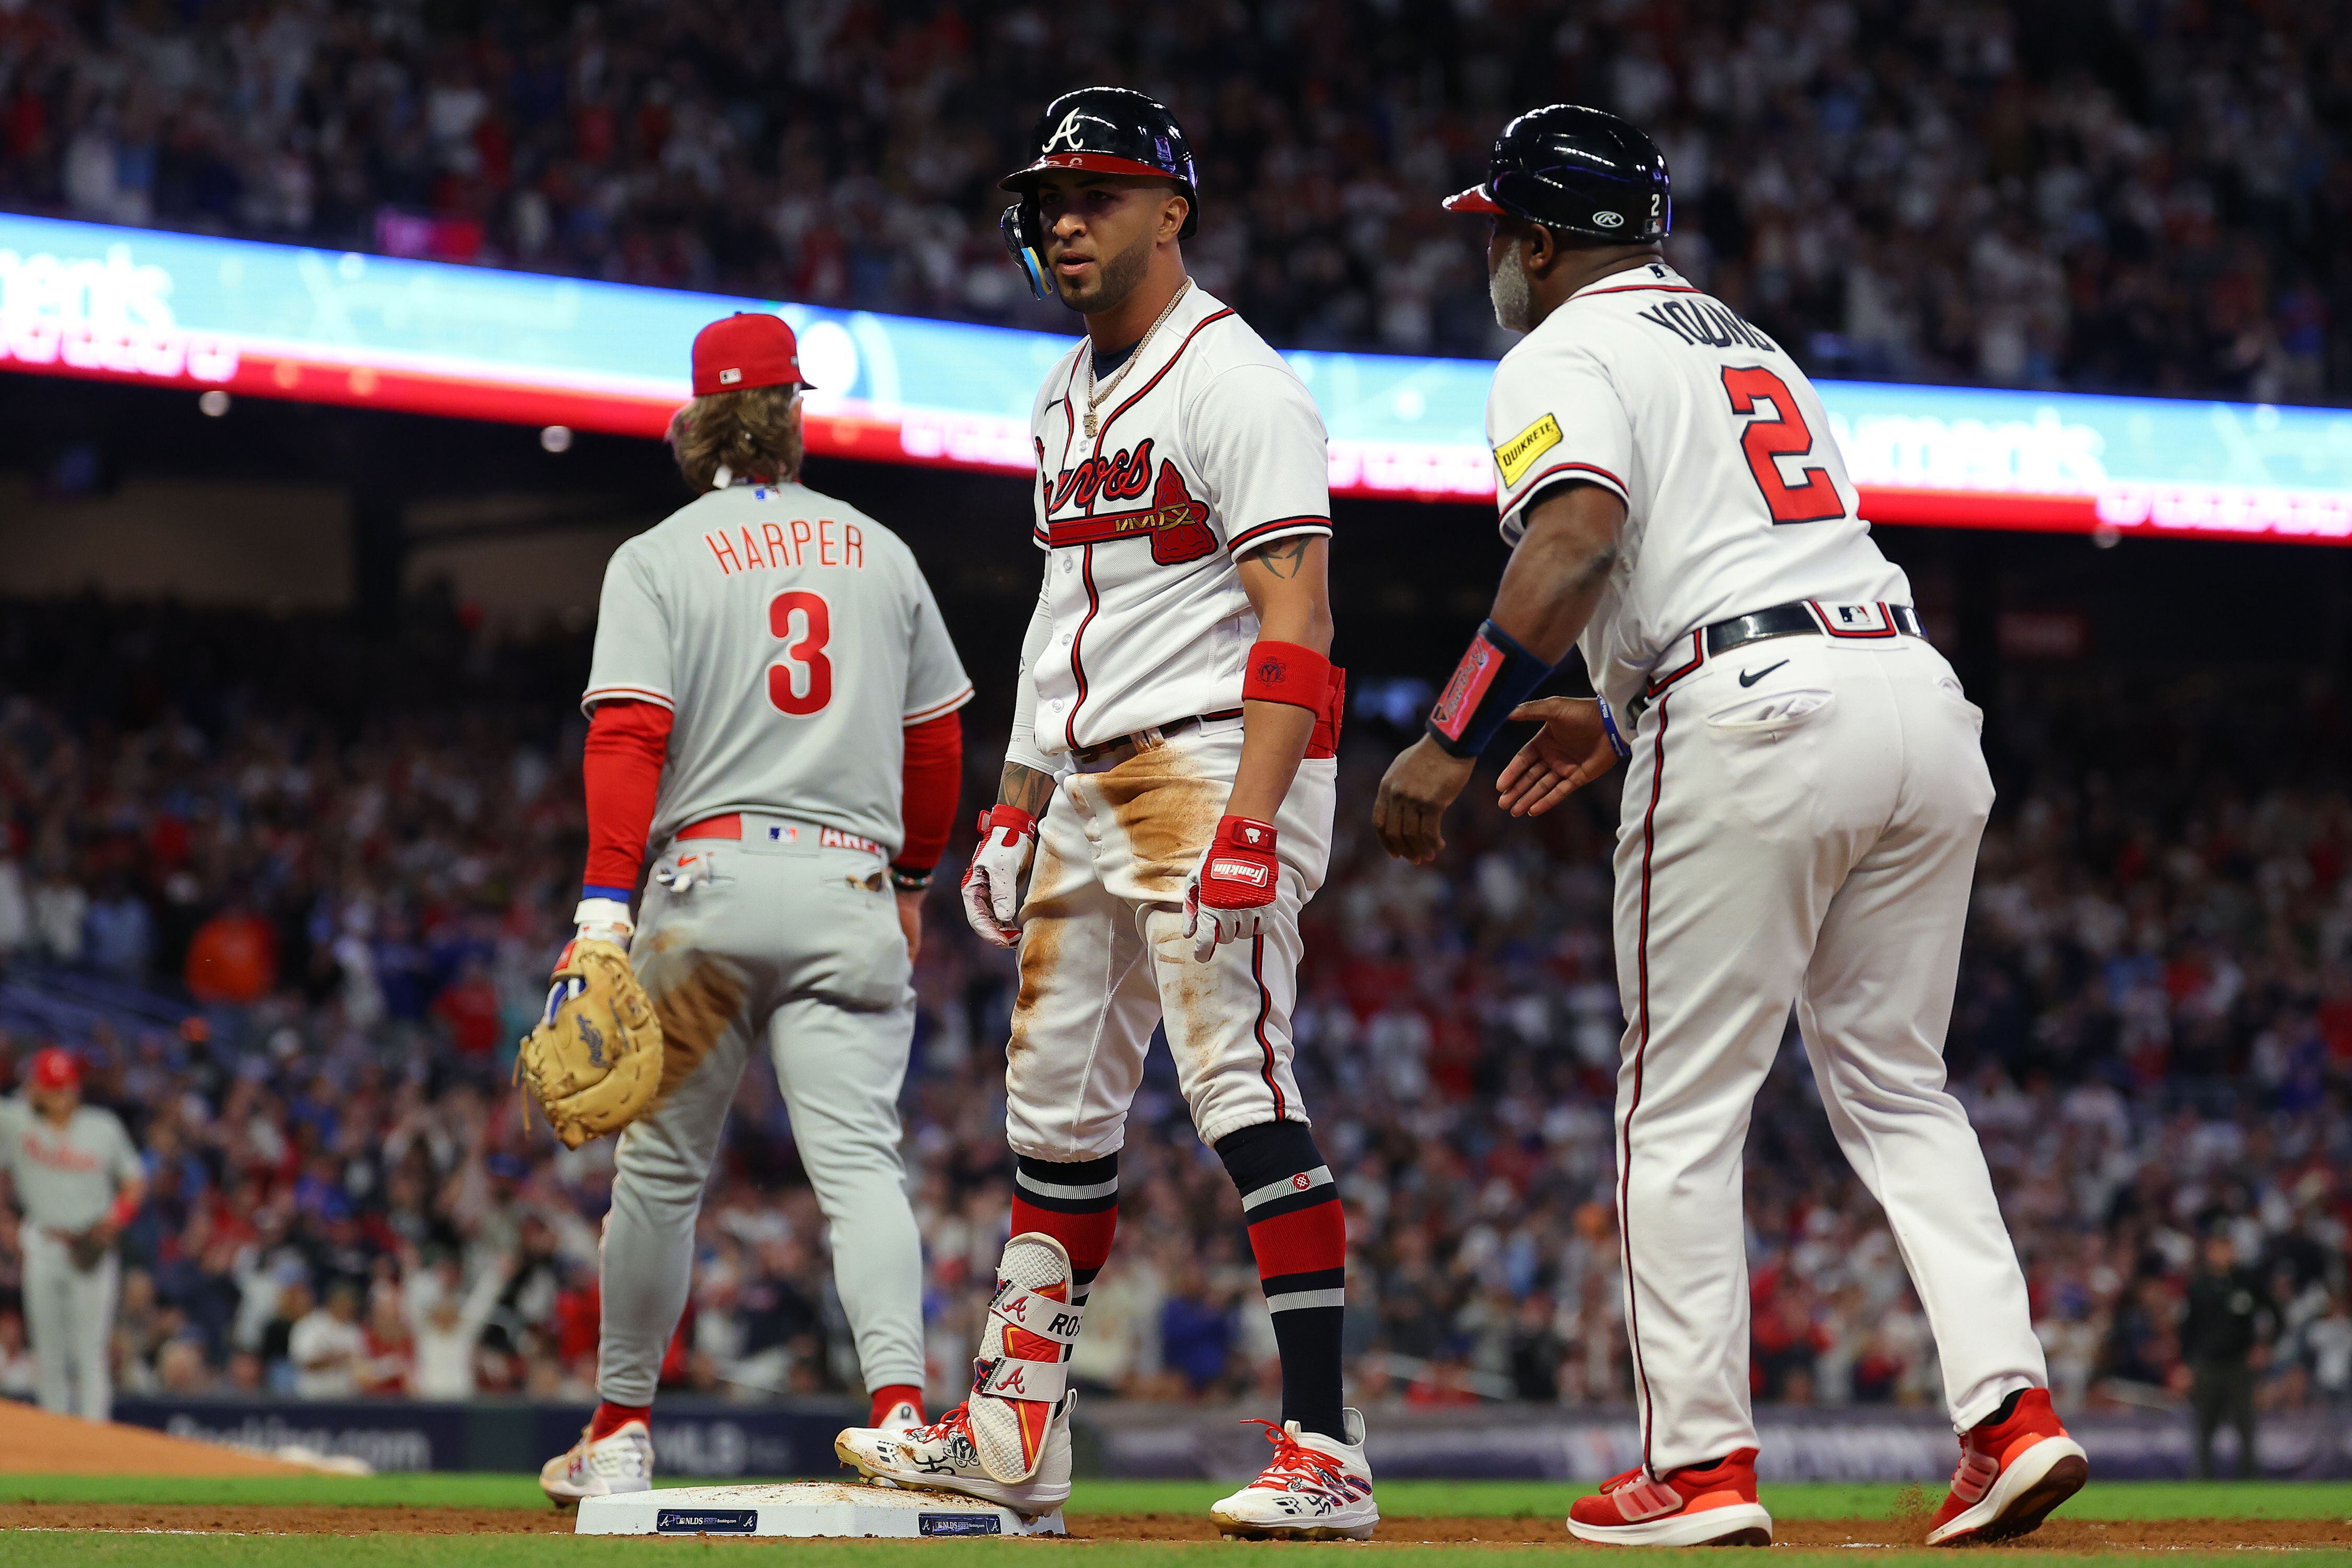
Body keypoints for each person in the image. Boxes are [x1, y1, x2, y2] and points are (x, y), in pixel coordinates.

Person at [1370, 105, 2088, 1548]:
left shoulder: (1556, 349)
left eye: (1499, 230)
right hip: (1908, 692)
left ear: (1543, 239)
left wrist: (1448, 734)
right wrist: (1620, 705)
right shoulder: (1748, 340)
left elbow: (1574, 534)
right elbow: (1745, 548)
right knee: (1897, 1087)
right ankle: (2009, 1416)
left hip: (1749, 704)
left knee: (1675, 1104)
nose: (1492, 258)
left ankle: (1696, 1468)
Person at [834, 88, 1368, 1540]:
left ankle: (1326, 1446)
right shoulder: (1059, 393)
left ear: (1169, 211)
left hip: (1208, 758)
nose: (1062, 221)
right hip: (1083, 777)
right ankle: (1015, 1438)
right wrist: (1010, 803)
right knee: (1051, 1119)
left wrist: (1256, 816)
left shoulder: (1235, 380)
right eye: (1048, 200)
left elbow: (1298, 610)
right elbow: (1055, 618)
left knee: (1238, 1089)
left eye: (1097, 195)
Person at [536, 310, 973, 1503]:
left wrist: (599, 913)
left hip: (705, 888)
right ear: (792, 412)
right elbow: (934, 742)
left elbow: (629, 737)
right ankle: (896, 1410)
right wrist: (913, 881)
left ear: (694, 422)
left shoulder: (657, 553)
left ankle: (620, 1427)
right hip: (846, 885)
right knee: (862, 1168)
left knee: (660, 1174)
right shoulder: (878, 550)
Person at [0, 1046, 145, 1421]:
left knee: (89, 1351)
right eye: (50, 1087)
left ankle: (92, 1440)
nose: (59, 1094)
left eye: (64, 1087)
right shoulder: (15, 1122)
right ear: (35, 1088)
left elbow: (134, 1181)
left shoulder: (102, 1127)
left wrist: (114, 1219)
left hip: (90, 1244)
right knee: (47, 1351)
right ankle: (56, 1439)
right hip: (43, 1241)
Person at [2182, 1232, 2274, 1478]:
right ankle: (2201, 1481)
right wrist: (2187, 1365)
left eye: (2227, 1247)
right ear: (2209, 1251)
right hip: (2208, 1366)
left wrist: (2264, 1346)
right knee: (2204, 1427)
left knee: (2246, 1427)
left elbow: (2275, 1313)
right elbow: (2189, 1329)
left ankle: (2250, 1480)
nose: (2223, 1254)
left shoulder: (2247, 1282)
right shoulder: (2199, 1286)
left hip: (2239, 1365)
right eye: (2218, 1248)